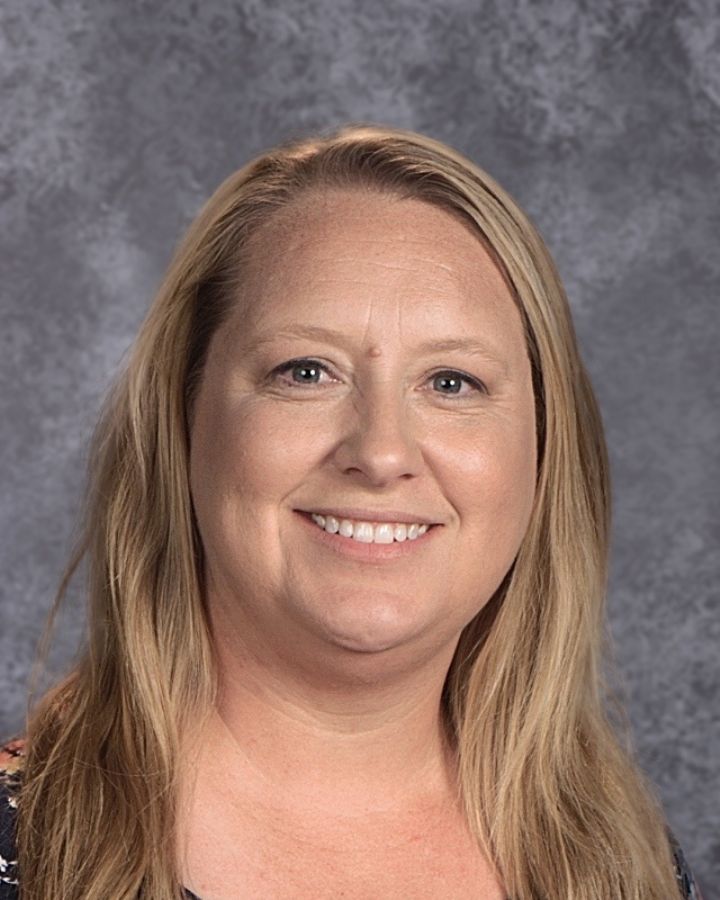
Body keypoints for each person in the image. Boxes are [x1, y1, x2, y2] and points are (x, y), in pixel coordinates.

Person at [0, 124, 704, 899]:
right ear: (184, 418)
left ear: (545, 452)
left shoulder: (626, 866)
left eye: (452, 382)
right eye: (306, 371)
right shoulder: (18, 852)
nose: (380, 452)